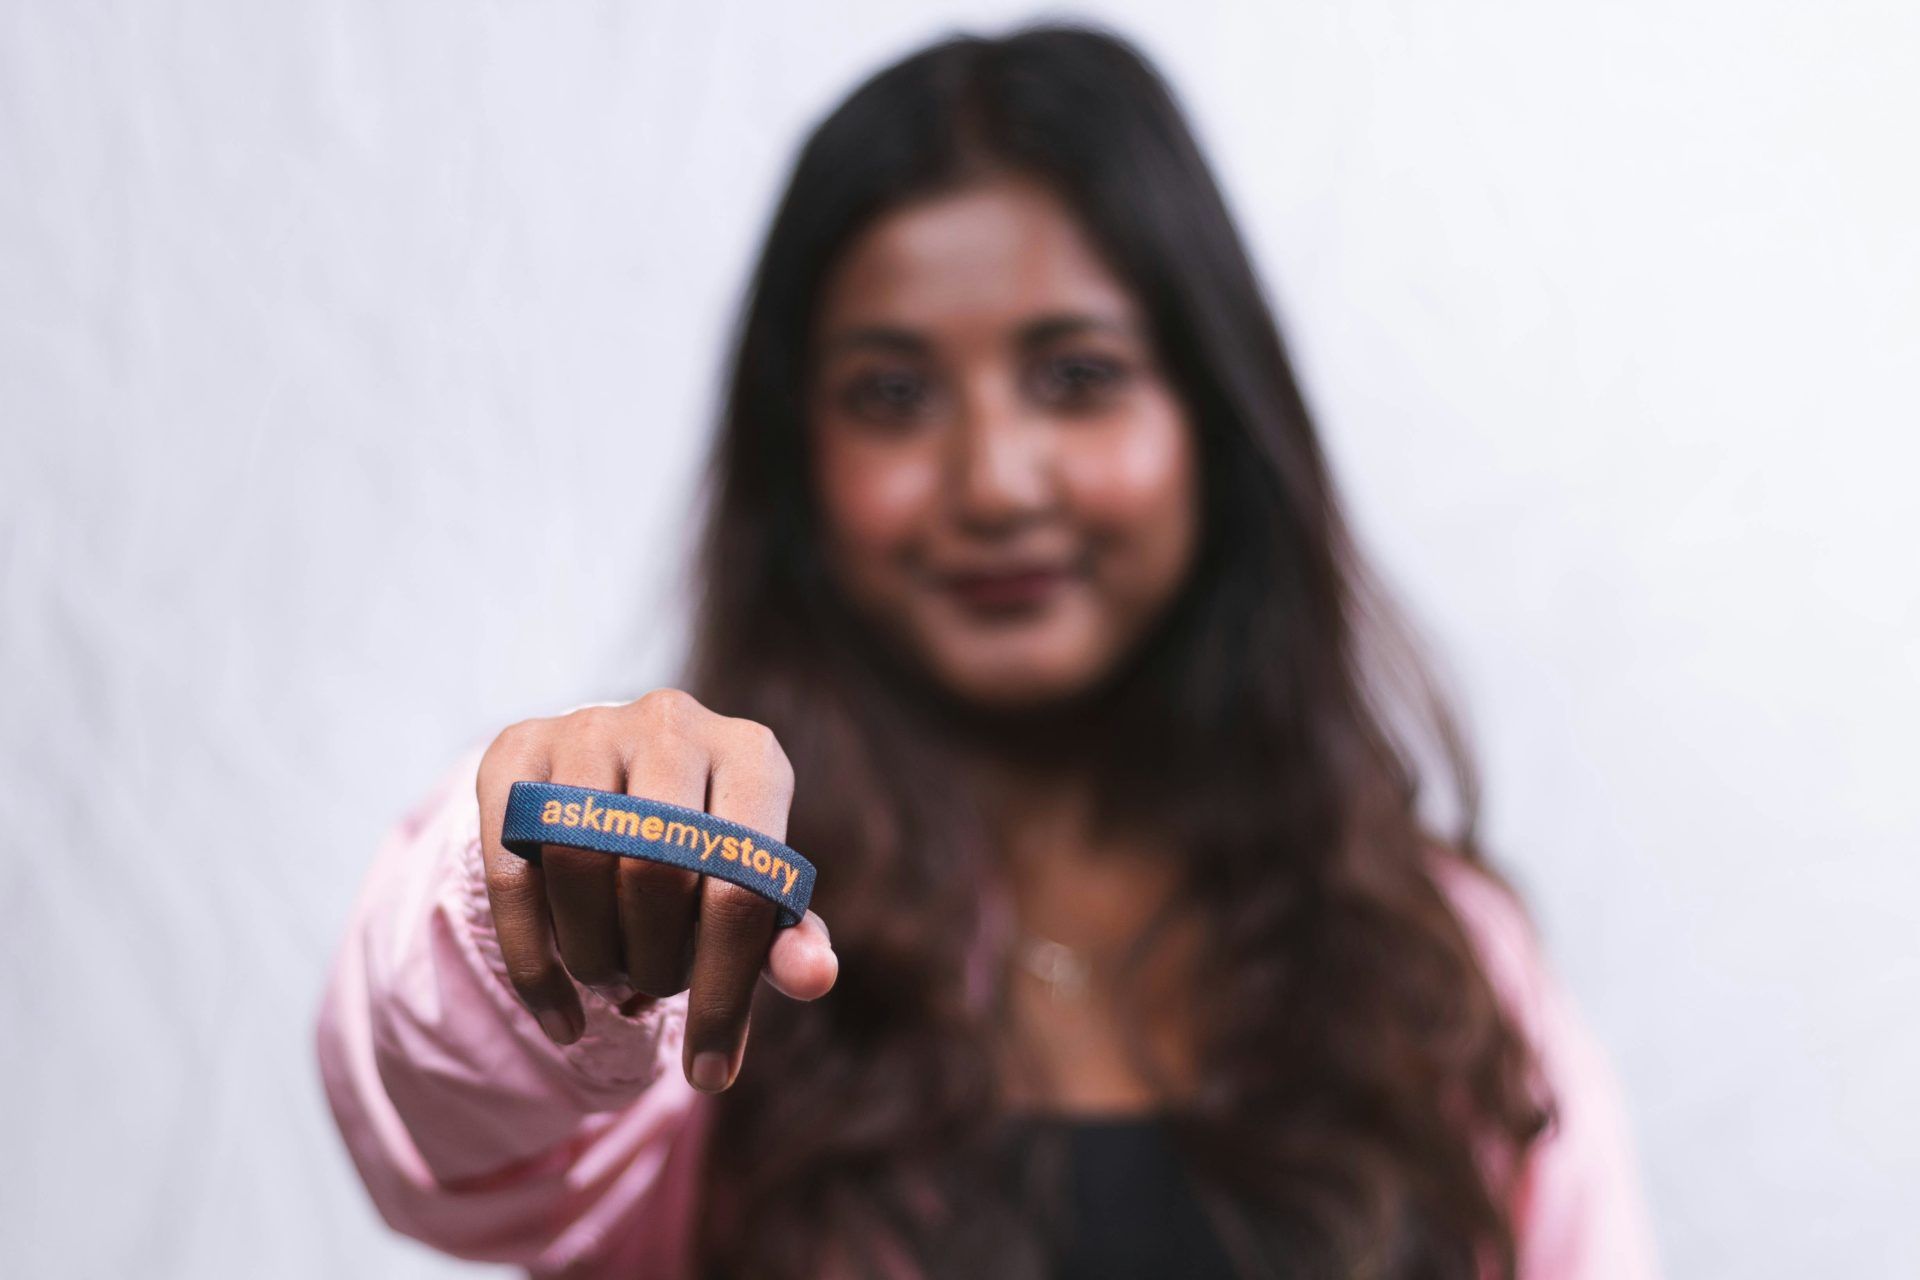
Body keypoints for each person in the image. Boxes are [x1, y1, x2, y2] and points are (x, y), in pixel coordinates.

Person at [314, 21, 1661, 1280]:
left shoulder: (1435, 961)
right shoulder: (703, 916)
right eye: (893, 394)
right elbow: (438, 1121)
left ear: (1212, 419)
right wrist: (548, 892)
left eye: (1077, 376)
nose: (996, 482)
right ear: (799, 463)